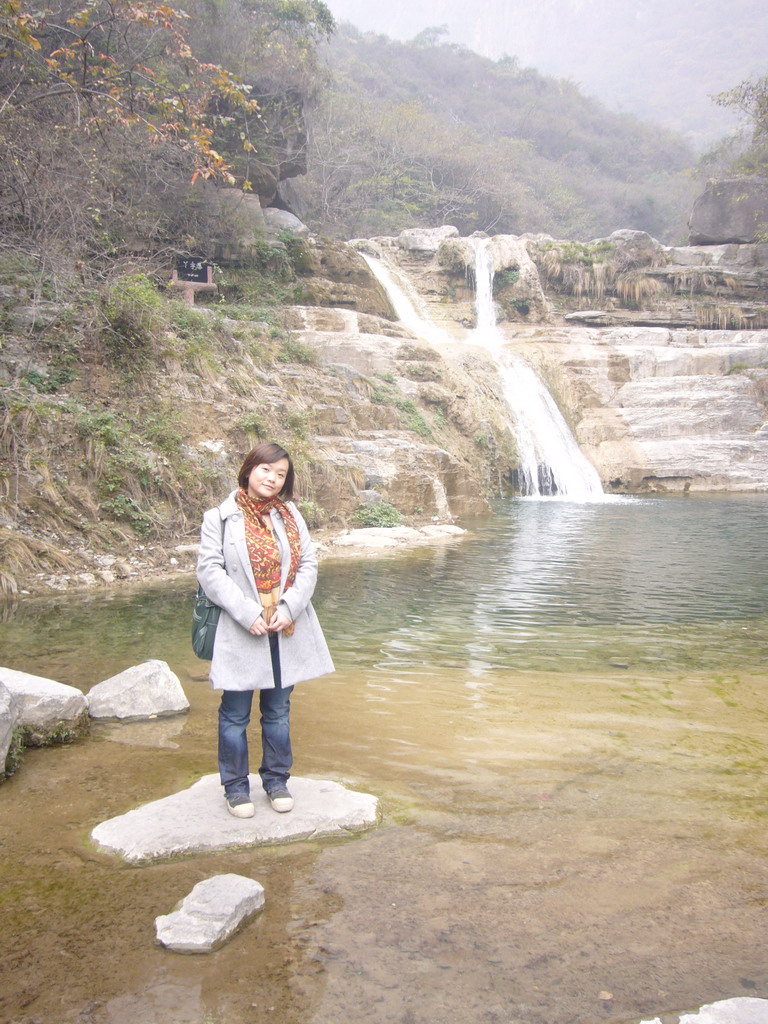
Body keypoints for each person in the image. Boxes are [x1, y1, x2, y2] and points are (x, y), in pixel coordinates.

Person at [196, 441, 334, 818]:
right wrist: (246, 613)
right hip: (244, 627)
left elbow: (308, 565)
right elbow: (210, 571)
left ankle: (276, 782)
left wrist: (289, 608)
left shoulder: (290, 514)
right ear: (248, 469)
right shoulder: (219, 518)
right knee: (235, 712)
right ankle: (236, 788)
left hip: (285, 626)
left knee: (278, 710)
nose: (272, 479)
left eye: (281, 474)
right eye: (266, 470)